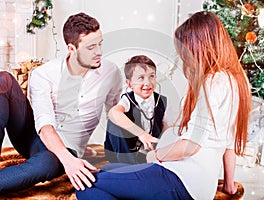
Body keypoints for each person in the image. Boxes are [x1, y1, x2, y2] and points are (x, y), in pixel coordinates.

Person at [76, 11, 251, 200]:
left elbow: (190, 146)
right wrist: (230, 184)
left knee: (86, 184)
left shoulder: (213, 82)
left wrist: (156, 156)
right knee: (109, 169)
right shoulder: (237, 82)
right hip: (190, 179)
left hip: (180, 178)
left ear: (200, 47)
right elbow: (229, 144)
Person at [0, 12, 122, 198]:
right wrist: (68, 161)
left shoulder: (111, 72)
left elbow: (115, 112)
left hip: (68, 146)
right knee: (0, 79)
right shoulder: (44, 74)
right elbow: (44, 124)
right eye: (91, 47)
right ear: (71, 48)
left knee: (46, 163)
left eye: (100, 44)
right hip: (34, 137)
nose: (99, 52)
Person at [104, 55, 168, 164]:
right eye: (141, 78)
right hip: (124, 152)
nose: (147, 82)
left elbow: (165, 127)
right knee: (114, 120)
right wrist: (142, 134)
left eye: (152, 76)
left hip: (146, 153)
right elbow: (113, 113)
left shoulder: (162, 101)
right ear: (130, 84)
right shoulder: (127, 99)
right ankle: (128, 167)